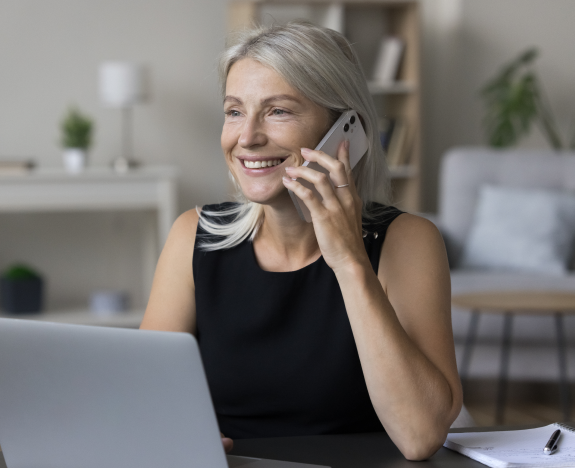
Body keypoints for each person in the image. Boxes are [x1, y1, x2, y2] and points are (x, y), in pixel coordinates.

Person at [140, 21, 462, 461]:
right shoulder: (193, 235)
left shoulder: (408, 242)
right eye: (234, 111)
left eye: (278, 111)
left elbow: (420, 435)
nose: (247, 137)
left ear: (347, 131)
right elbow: (143, 401)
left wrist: (350, 261)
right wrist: (172, 437)